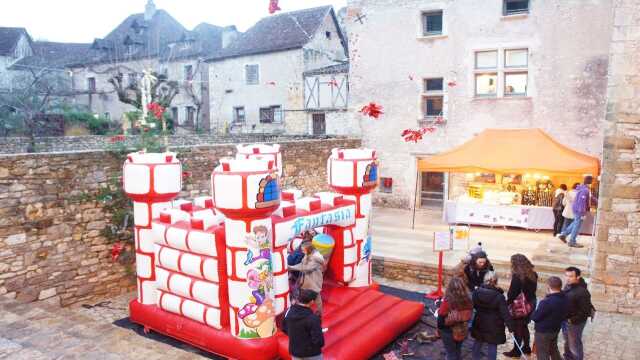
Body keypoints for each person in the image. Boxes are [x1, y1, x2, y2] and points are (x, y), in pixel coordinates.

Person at [470, 271, 514, 360]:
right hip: (494, 324)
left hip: (480, 321)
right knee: (492, 345)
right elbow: (505, 313)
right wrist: (510, 327)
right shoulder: (499, 296)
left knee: (478, 341)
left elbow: (472, 305)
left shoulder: (476, 292)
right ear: (496, 281)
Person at [504, 254, 538, 358]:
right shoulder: (533, 274)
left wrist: (507, 304)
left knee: (518, 327)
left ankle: (516, 350)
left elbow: (512, 294)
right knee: (524, 326)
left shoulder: (517, 277)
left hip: (520, 305)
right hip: (531, 302)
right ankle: (526, 347)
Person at [532, 276, 568, 360]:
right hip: (555, 329)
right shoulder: (565, 298)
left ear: (548, 286)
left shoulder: (546, 302)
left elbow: (536, 317)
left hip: (543, 332)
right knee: (554, 350)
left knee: (542, 353)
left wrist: (532, 313)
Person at [282, 289, 325, 360]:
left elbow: (284, 328)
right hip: (312, 354)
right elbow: (319, 341)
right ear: (311, 302)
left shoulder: (288, 312)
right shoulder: (313, 318)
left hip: (295, 351)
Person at [562, 267, 594, 360]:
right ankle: (567, 358)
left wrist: (571, 320)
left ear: (578, 277)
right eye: (566, 276)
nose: (567, 278)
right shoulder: (568, 285)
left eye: (571, 276)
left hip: (574, 323)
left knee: (574, 345)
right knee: (567, 342)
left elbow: (585, 311)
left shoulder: (583, 292)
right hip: (566, 320)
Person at [437, 277, 473, 360]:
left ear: (449, 288)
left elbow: (440, 323)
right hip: (462, 329)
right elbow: (469, 317)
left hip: (448, 331)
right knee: (457, 350)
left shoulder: (447, 302)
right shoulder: (469, 300)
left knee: (450, 353)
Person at [288, 241, 325, 315]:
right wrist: (291, 267)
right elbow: (302, 264)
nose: (302, 251)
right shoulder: (307, 255)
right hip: (305, 280)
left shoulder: (315, 258)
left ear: (309, 249)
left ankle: (319, 313)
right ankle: (299, 311)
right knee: (299, 294)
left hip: (313, 281)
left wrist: (292, 267)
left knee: (316, 297)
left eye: (303, 250)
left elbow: (307, 268)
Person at [558, 176, 594, 248]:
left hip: (576, 209)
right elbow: (582, 201)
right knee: (577, 225)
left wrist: (596, 200)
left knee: (575, 223)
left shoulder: (582, 188)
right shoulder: (585, 190)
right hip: (579, 210)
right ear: (590, 182)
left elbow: (589, 198)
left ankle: (563, 235)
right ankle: (572, 241)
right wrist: (582, 212)